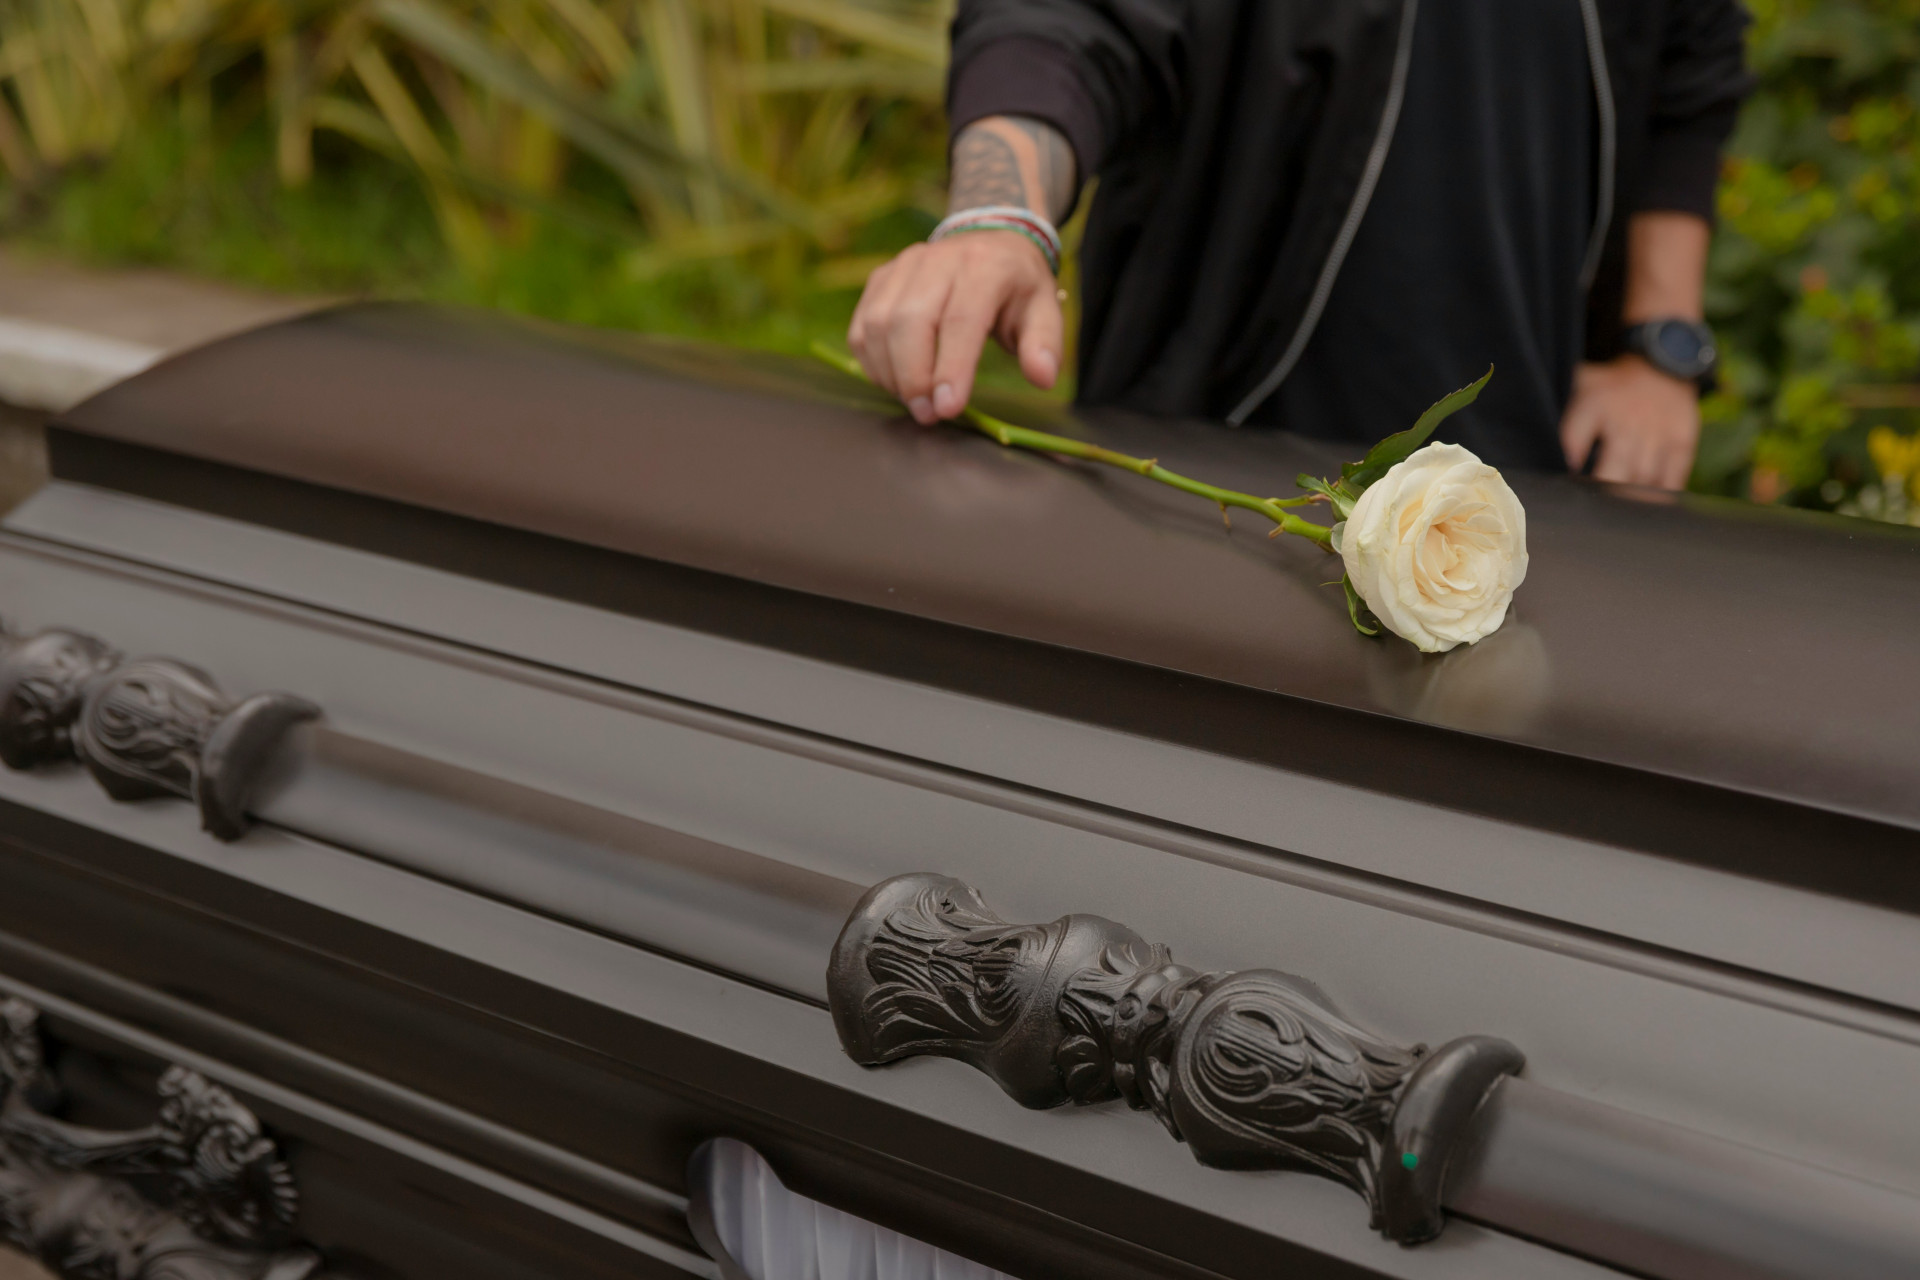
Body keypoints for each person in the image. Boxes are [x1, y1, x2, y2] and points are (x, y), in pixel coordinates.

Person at [848, 0, 1754, 490]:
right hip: (1218, 487)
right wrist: (999, 219)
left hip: (1524, 500)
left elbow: (1693, 68)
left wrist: (1660, 346)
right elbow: (1063, 24)